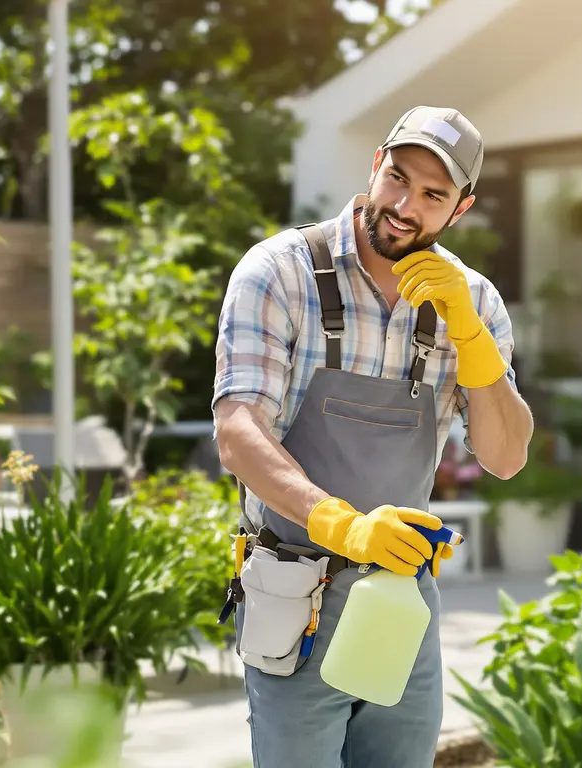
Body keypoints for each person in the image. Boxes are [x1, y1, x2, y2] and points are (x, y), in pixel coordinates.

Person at [212, 105, 533, 767]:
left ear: (461, 208)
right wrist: (338, 523)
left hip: (400, 605)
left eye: (433, 194)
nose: (404, 204)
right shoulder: (280, 273)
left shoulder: (473, 300)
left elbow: (504, 456)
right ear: (375, 165)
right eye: (397, 177)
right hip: (294, 597)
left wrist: (469, 334)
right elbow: (238, 431)